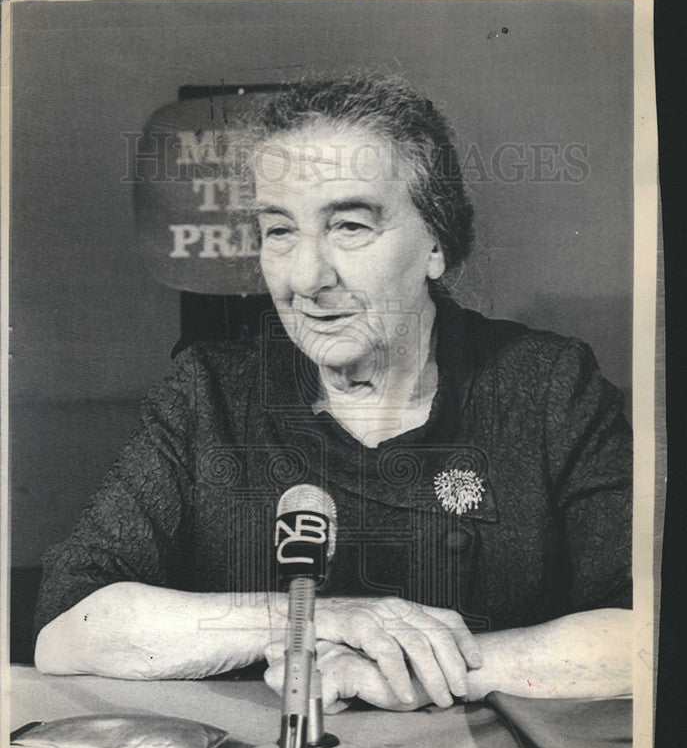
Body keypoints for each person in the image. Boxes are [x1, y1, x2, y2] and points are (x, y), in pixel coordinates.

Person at [33, 74, 632, 712]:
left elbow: (646, 631)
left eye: (348, 225)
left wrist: (407, 668)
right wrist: (321, 618)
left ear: (437, 242)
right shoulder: (208, 394)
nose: (307, 278)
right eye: (280, 232)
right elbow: (69, 630)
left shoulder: (546, 388)